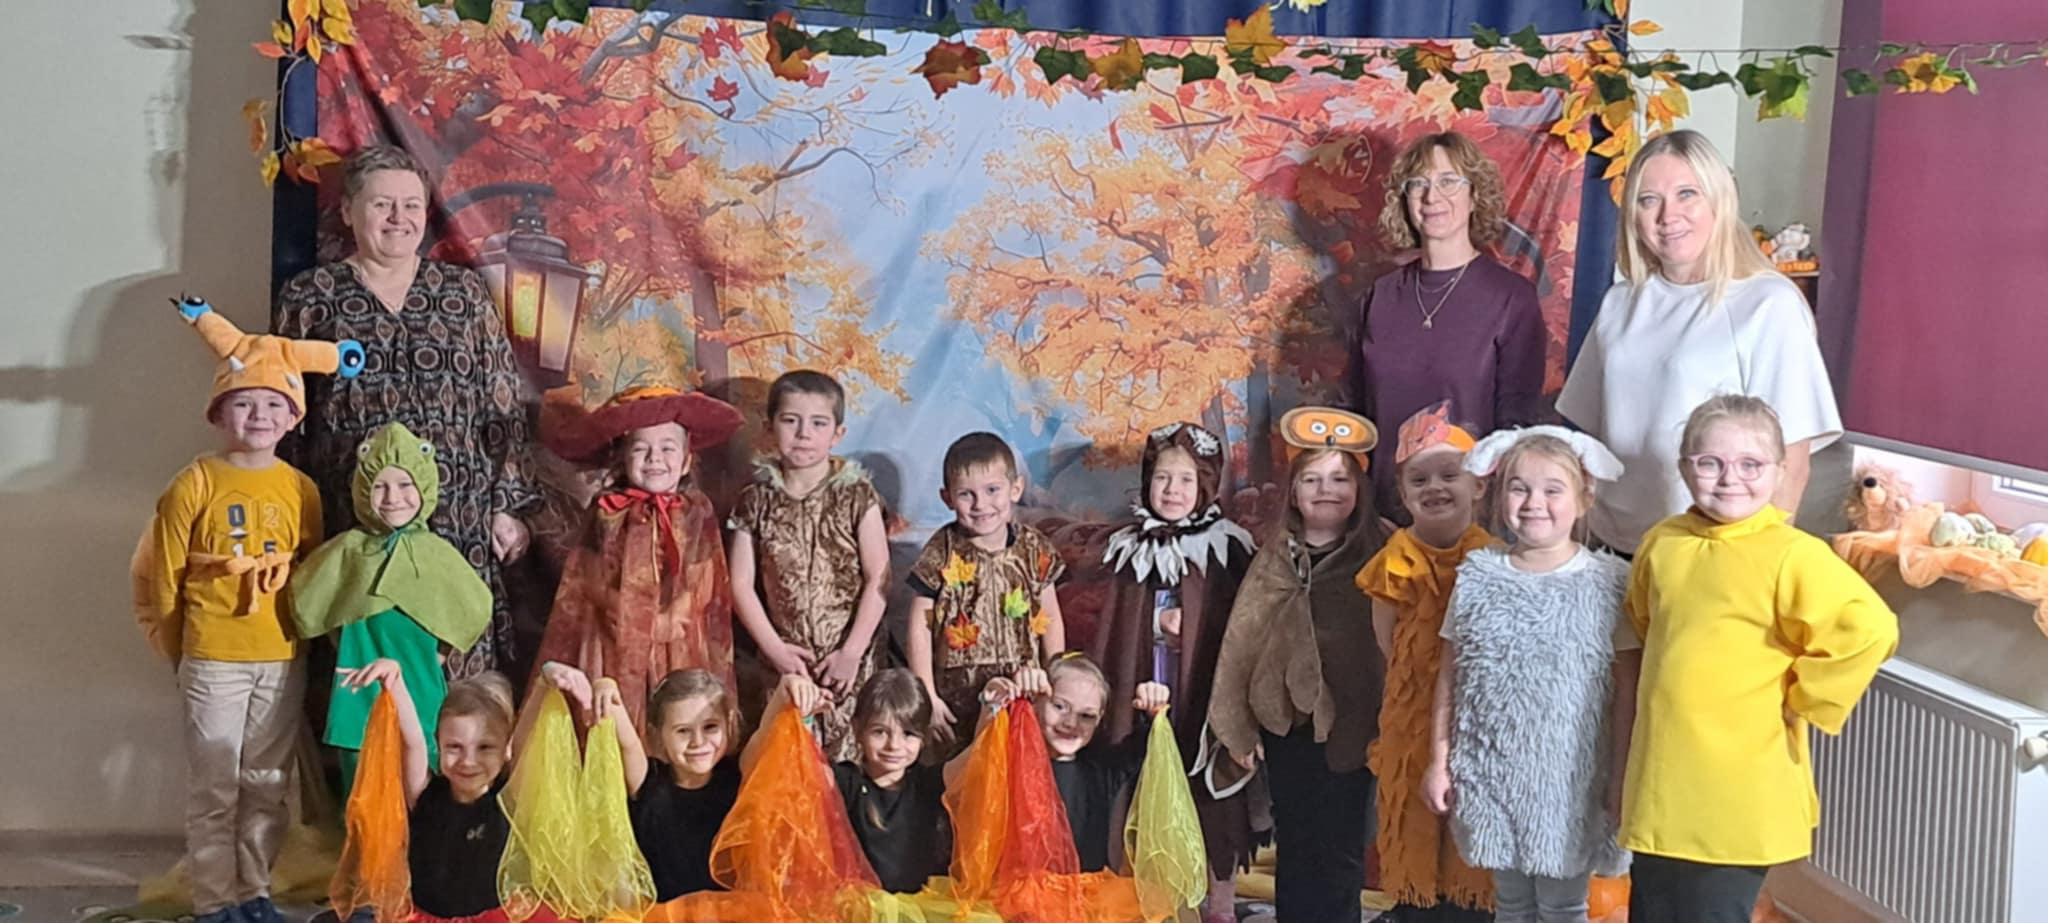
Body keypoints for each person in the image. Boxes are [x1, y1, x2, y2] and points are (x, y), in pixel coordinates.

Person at [1619, 396, 1897, 923]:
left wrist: (1806, 697)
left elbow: (1869, 629)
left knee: (1713, 911)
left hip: (1738, 784)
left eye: (1750, 465)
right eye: (1710, 463)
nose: (1730, 479)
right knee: (1652, 908)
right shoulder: (1662, 543)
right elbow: (1646, 623)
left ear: (1779, 472)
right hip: (1663, 778)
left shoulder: (1791, 554)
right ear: (1684, 466)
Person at [274, 144, 541, 678]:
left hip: (458, 520)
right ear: (347, 211)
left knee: (456, 682)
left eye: (411, 205)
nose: (399, 218)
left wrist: (507, 506)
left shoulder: (463, 292)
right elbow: (286, 416)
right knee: (363, 676)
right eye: (382, 205)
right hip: (354, 524)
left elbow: (502, 403)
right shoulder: (310, 296)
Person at [131, 297, 352, 923]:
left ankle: (254, 891)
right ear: (220, 410)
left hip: (279, 656)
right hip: (213, 656)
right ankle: (215, 900)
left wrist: (301, 640)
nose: (259, 415)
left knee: (267, 784)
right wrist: (177, 646)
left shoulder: (300, 489)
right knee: (215, 787)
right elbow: (163, 576)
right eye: (244, 402)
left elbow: (310, 575)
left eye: (274, 404)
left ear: (293, 416)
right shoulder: (194, 483)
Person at [1557, 129, 1842, 555]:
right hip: (1610, 547)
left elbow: (1792, 463)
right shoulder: (1620, 301)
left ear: (1719, 200)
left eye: (1686, 194)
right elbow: (1593, 437)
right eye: (1648, 199)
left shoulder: (1768, 304)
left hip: (1708, 551)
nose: (1667, 215)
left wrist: (1755, 568)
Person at [1422, 427, 1635, 922]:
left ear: (1584, 499)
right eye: (1519, 488)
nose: (1534, 503)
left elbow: (1627, 690)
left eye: (1552, 490)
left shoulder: (1608, 585)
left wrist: (1622, 777)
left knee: (1563, 906)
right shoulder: (1478, 577)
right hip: (1491, 774)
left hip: (1571, 782)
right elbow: (1450, 678)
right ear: (1500, 497)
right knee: (1512, 904)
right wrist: (1439, 761)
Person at [1208, 406, 1389, 923]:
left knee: (1342, 843)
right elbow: (1243, 641)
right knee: (1296, 838)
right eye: (1311, 479)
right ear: (1292, 492)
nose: (1325, 490)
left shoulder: (1382, 553)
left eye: (1339, 479)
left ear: (1359, 489)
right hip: (1287, 723)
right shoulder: (1275, 558)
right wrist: (1238, 727)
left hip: (1354, 722)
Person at [1087, 421, 1255, 921]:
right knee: (1141, 791)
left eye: (1186, 480)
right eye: (1162, 478)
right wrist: (1154, 624)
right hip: (1144, 696)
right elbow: (1117, 629)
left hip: (1201, 700)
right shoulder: (1129, 548)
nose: (1172, 490)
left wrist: (1195, 623)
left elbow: (1240, 624)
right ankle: (1150, 900)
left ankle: (1218, 904)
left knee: (1211, 799)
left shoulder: (1227, 547)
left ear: (1206, 485)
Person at [1348, 131, 1548, 523]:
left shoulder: (1511, 298)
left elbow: (1517, 425)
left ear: (1474, 196)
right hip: (1384, 518)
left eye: (1448, 181)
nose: (1431, 196)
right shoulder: (1380, 297)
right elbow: (1357, 411)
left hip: (1473, 520)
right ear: (1404, 201)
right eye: (1418, 184)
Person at [289, 422, 492, 796]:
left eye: (404, 485)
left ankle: (421, 832)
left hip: (419, 679)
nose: (392, 497)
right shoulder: (349, 550)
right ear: (363, 489)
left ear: (424, 487)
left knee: (422, 777)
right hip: (359, 685)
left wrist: (444, 649)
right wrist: (342, 639)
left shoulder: (436, 553)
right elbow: (309, 596)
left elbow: (474, 604)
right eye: (380, 486)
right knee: (362, 782)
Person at [533, 385, 745, 736]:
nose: (654, 459)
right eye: (640, 449)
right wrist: (628, 615)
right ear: (622, 458)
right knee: (614, 713)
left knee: (677, 712)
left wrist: (671, 617)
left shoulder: (697, 511)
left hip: (676, 636)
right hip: (615, 634)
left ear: (686, 460)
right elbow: (587, 574)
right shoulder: (607, 510)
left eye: (667, 448)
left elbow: (706, 572)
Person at [1354, 402, 1495, 921]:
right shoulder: (1393, 564)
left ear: (1478, 485)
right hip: (1412, 724)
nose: (1435, 487)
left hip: (1477, 724)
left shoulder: (1495, 561)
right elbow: (1389, 644)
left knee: (1472, 844)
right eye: (1419, 479)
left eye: (1449, 475)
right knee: (1414, 826)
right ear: (1403, 492)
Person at [727, 370, 891, 761]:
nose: (803, 434)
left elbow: (880, 578)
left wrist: (851, 653)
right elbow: (740, 584)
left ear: (837, 433)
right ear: (770, 426)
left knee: (852, 762)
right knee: (789, 762)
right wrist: (775, 651)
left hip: (850, 662)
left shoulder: (856, 495)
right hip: (786, 663)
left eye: (818, 423)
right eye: (790, 420)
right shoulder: (756, 500)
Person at [905, 432, 1068, 760]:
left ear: (1015, 489)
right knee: (959, 777)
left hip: (1021, 692)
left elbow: (1050, 619)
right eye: (966, 494)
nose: (980, 505)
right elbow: (919, 626)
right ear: (947, 498)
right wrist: (928, 695)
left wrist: (1055, 681)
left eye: (992, 490)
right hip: (956, 701)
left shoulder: (1034, 548)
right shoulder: (941, 550)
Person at [334, 661, 535, 923]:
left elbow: (525, 739)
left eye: (484, 747)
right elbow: (413, 741)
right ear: (438, 744)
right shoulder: (425, 794)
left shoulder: (508, 798)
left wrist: (544, 684)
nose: (468, 761)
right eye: (454, 747)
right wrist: (394, 682)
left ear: (506, 749)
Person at [547, 661, 744, 903]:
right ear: (658, 735)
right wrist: (605, 685)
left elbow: (768, 730)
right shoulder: (648, 781)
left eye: (710, 727)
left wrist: (785, 691)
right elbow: (626, 739)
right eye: (683, 731)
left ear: (729, 724)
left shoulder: (739, 775)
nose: (698, 741)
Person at [809, 669, 950, 894]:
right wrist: (801, 715)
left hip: (921, 906)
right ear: (857, 730)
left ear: (923, 737)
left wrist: (991, 707)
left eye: (908, 734)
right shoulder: (845, 782)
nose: (894, 745)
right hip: (858, 907)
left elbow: (980, 760)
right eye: (879, 732)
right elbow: (799, 763)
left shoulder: (926, 783)